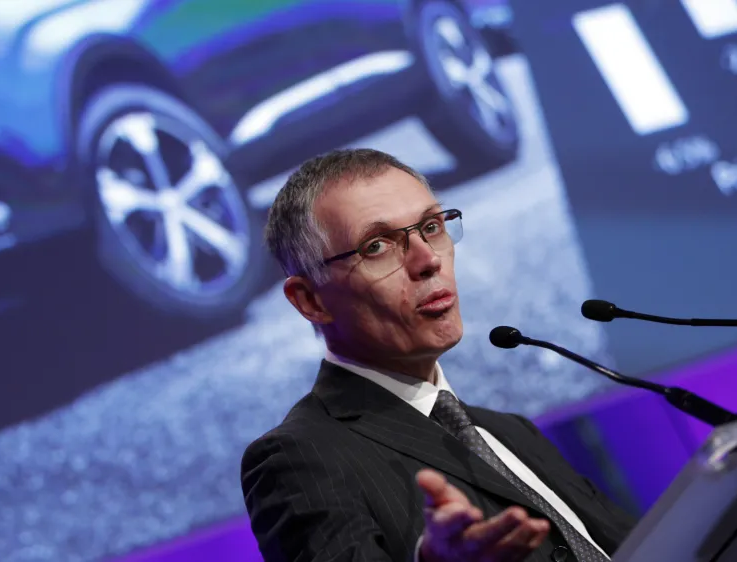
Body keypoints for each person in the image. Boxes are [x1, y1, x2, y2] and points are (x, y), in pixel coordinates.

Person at [240, 148, 637, 562]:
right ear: (310, 300)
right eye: (376, 245)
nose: (428, 259)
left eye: (431, 226)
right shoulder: (298, 458)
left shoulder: (512, 433)